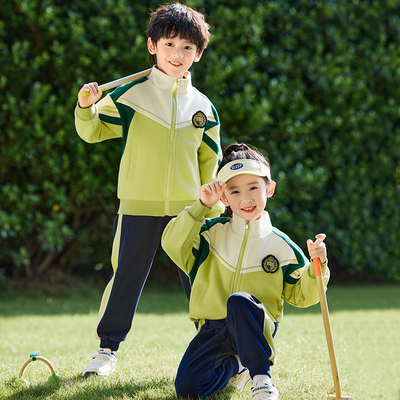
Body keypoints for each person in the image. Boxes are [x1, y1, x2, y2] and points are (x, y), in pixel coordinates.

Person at [74, 2, 223, 377]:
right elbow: (92, 131)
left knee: (201, 281)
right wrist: (85, 106)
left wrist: (214, 210)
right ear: (152, 46)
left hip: (190, 211)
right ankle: (106, 350)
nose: (178, 54)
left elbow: (210, 165)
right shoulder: (128, 95)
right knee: (125, 277)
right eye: (169, 44)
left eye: (187, 47)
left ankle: (217, 349)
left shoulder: (204, 107)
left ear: (198, 54)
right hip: (138, 205)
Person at [161, 143, 330, 400]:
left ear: (269, 188)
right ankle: (237, 366)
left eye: (253, 188)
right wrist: (200, 206)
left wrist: (318, 266)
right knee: (188, 389)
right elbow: (171, 243)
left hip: (256, 327)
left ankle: (261, 380)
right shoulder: (209, 232)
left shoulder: (282, 245)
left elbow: (303, 296)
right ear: (224, 198)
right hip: (213, 328)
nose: (246, 198)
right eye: (235, 191)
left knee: (239, 301)